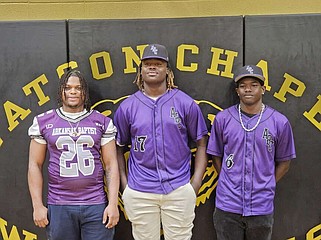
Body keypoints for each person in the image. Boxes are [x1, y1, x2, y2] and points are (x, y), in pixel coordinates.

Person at [114, 44, 208, 240]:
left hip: (178, 187)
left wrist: (195, 184)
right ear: (140, 70)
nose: (152, 67)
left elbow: (201, 143)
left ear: (167, 70)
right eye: (147, 64)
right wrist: (126, 187)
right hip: (140, 190)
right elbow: (117, 148)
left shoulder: (185, 103)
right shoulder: (128, 107)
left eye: (158, 63)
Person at [27, 69, 120, 240]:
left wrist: (113, 204)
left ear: (85, 92)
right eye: (68, 87)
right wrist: (37, 205)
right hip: (59, 203)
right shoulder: (44, 121)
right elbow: (35, 164)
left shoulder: (102, 121)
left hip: (95, 203)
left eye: (78, 88)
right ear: (60, 91)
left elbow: (111, 164)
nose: (73, 92)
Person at [207, 65, 296, 240]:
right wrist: (227, 178)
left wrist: (267, 182)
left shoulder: (279, 122)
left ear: (263, 89)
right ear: (237, 91)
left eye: (254, 85)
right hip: (227, 205)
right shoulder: (223, 119)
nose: (248, 89)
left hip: (261, 205)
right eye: (243, 85)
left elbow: (284, 162)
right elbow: (216, 154)